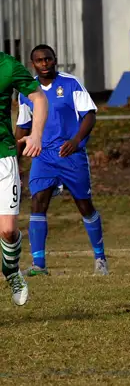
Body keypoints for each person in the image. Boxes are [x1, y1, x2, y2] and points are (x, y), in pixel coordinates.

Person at [14, 45, 106, 276]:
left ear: (55, 60)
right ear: (32, 63)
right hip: (43, 155)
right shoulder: (27, 91)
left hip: (70, 155)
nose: (44, 64)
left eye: (48, 59)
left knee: (84, 206)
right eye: (39, 61)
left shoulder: (71, 83)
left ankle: (100, 259)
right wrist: (12, 160)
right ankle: (38, 265)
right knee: (37, 203)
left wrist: (76, 141)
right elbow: (23, 126)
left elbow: (90, 115)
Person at [0, 51, 48, 305]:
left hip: (3, 157)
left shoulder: (7, 66)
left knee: (8, 231)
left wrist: (36, 134)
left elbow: (39, 98)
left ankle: (11, 271)